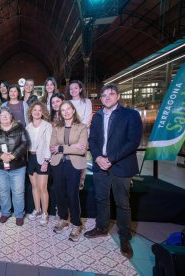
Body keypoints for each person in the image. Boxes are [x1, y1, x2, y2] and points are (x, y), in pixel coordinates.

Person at [84, 83, 142, 259]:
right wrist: (98, 158)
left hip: (121, 165)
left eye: (111, 94)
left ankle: (125, 238)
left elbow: (133, 142)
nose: (107, 97)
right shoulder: (98, 116)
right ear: (100, 99)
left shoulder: (131, 115)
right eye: (103, 95)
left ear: (117, 96)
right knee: (101, 199)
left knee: (122, 203)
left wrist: (110, 158)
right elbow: (92, 140)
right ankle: (101, 228)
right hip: (100, 165)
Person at [50, 101, 87, 242]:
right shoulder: (56, 128)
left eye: (68, 109)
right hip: (58, 164)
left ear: (73, 110)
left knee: (72, 194)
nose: (65, 112)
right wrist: (71, 146)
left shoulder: (82, 127)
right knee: (59, 193)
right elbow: (52, 146)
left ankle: (76, 224)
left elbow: (82, 149)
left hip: (74, 165)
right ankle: (64, 219)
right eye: (63, 110)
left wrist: (61, 148)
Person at [0, 106, 29, 226]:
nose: (4, 116)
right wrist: (1, 155)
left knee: (18, 191)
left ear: (11, 116)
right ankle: (5, 212)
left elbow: (26, 143)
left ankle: (19, 214)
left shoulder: (20, 127)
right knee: (3, 191)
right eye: (2, 114)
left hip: (18, 166)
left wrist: (13, 155)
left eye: (7, 114)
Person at [26, 102, 52, 226]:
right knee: (34, 186)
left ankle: (45, 213)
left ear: (43, 113)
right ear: (31, 112)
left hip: (42, 159)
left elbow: (49, 144)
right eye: (34, 110)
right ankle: (37, 209)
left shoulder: (47, 125)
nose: (37, 112)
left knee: (42, 187)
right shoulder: (28, 126)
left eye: (39, 110)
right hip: (31, 158)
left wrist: (46, 161)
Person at [66, 80, 92, 190]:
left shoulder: (87, 102)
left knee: (81, 158)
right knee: (70, 159)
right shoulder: (67, 102)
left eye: (76, 88)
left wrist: (78, 131)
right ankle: (71, 181)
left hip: (83, 134)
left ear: (80, 89)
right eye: (71, 88)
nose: (73, 90)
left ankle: (81, 181)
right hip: (70, 134)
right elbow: (66, 117)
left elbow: (87, 118)